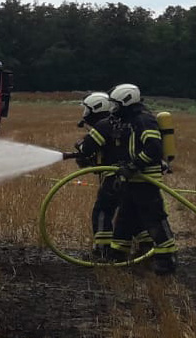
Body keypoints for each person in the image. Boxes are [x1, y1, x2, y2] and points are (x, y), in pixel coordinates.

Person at [108, 83, 177, 275]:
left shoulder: (144, 121)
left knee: (154, 219)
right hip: (134, 181)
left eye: (116, 105)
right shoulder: (131, 121)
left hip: (146, 181)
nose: (113, 109)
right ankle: (116, 254)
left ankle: (167, 259)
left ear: (127, 102)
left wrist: (133, 165)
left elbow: (154, 149)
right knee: (124, 219)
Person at [68, 91, 140, 262]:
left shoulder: (104, 125)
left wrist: (80, 145)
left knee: (103, 210)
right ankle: (146, 248)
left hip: (114, 177)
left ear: (96, 108)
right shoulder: (124, 124)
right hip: (134, 176)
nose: (84, 114)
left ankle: (103, 249)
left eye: (87, 110)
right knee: (133, 211)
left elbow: (87, 148)